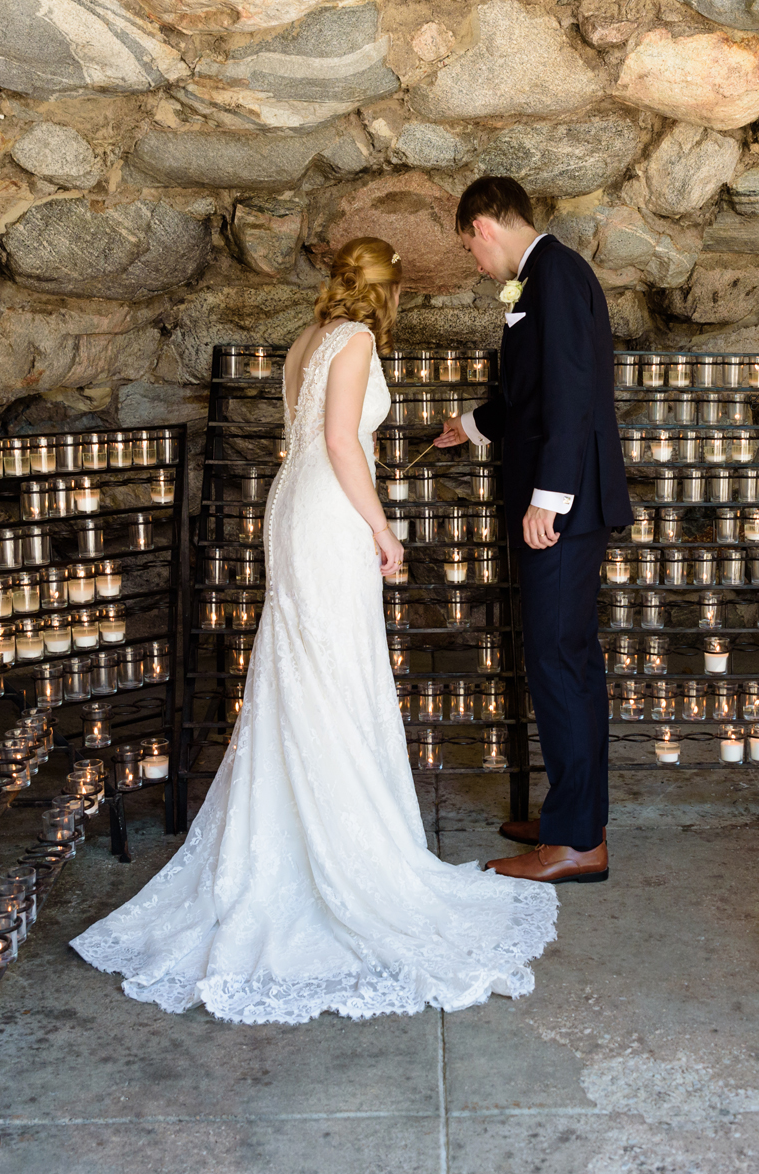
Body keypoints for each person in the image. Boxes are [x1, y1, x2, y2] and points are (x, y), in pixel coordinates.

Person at [70, 238, 557, 1023]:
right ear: (387, 295)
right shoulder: (358, 340)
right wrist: (384, 528)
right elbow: (339, 443)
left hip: (291, 505)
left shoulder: (305, 339)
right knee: (332, 671)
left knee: (303, 667)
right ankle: (339, 853)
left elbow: (308, 441)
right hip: (328, 509)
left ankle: (288, 835)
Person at [437, 177, 631, 885]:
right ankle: (575, 812)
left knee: (557, 663)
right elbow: (534, 392)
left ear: (484, 225)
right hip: (564, 502)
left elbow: (574, 391)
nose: (476, 265)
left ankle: (576, 842)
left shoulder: (552, 274)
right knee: (571, 662)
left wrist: (548, 499)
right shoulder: (540, 279)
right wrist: (472, 425)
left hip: (564, 508)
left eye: (469, 248)